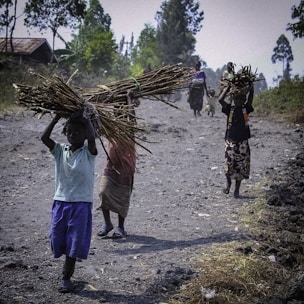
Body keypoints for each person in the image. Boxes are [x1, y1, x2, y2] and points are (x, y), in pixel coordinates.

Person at [41, 109, 97, 293]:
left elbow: (91, 138)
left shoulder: (89, 153)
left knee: (74, 241)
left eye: (77, 132)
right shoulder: (60, 151)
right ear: (65, 133)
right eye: (70, 132)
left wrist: (86, 119)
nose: (73, 135)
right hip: (61, 202)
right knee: (57, 238)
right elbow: (44, 138)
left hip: (81, 204)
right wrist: (57, 117)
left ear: (84, 134)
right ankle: (69, 263)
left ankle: (66, 277)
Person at [97, 91, 137, 239]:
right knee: (103, 192)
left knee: (122, 198)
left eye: (121, 109)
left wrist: (129, 99)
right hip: (111, 166)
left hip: (126, 168)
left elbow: (132, 118)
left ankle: (121, 227)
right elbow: (98, 121)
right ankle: (107, 223)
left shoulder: (129, 127)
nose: (118, 111)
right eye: (116, 109)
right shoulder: (110, 127)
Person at [218, 82, 254, 198]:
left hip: (242, 142)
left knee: (241, 166)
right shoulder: (230, 109)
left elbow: (250, 99)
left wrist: (251, 89)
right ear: (233, 98)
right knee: (229, 165)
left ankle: (237, 190)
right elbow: (220, 100)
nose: (239, 101)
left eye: (241, 99)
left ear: (244, 100)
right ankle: (228, 184)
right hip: (230, 141)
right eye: (236, 98)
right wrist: (228, 87)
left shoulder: (246, 109)